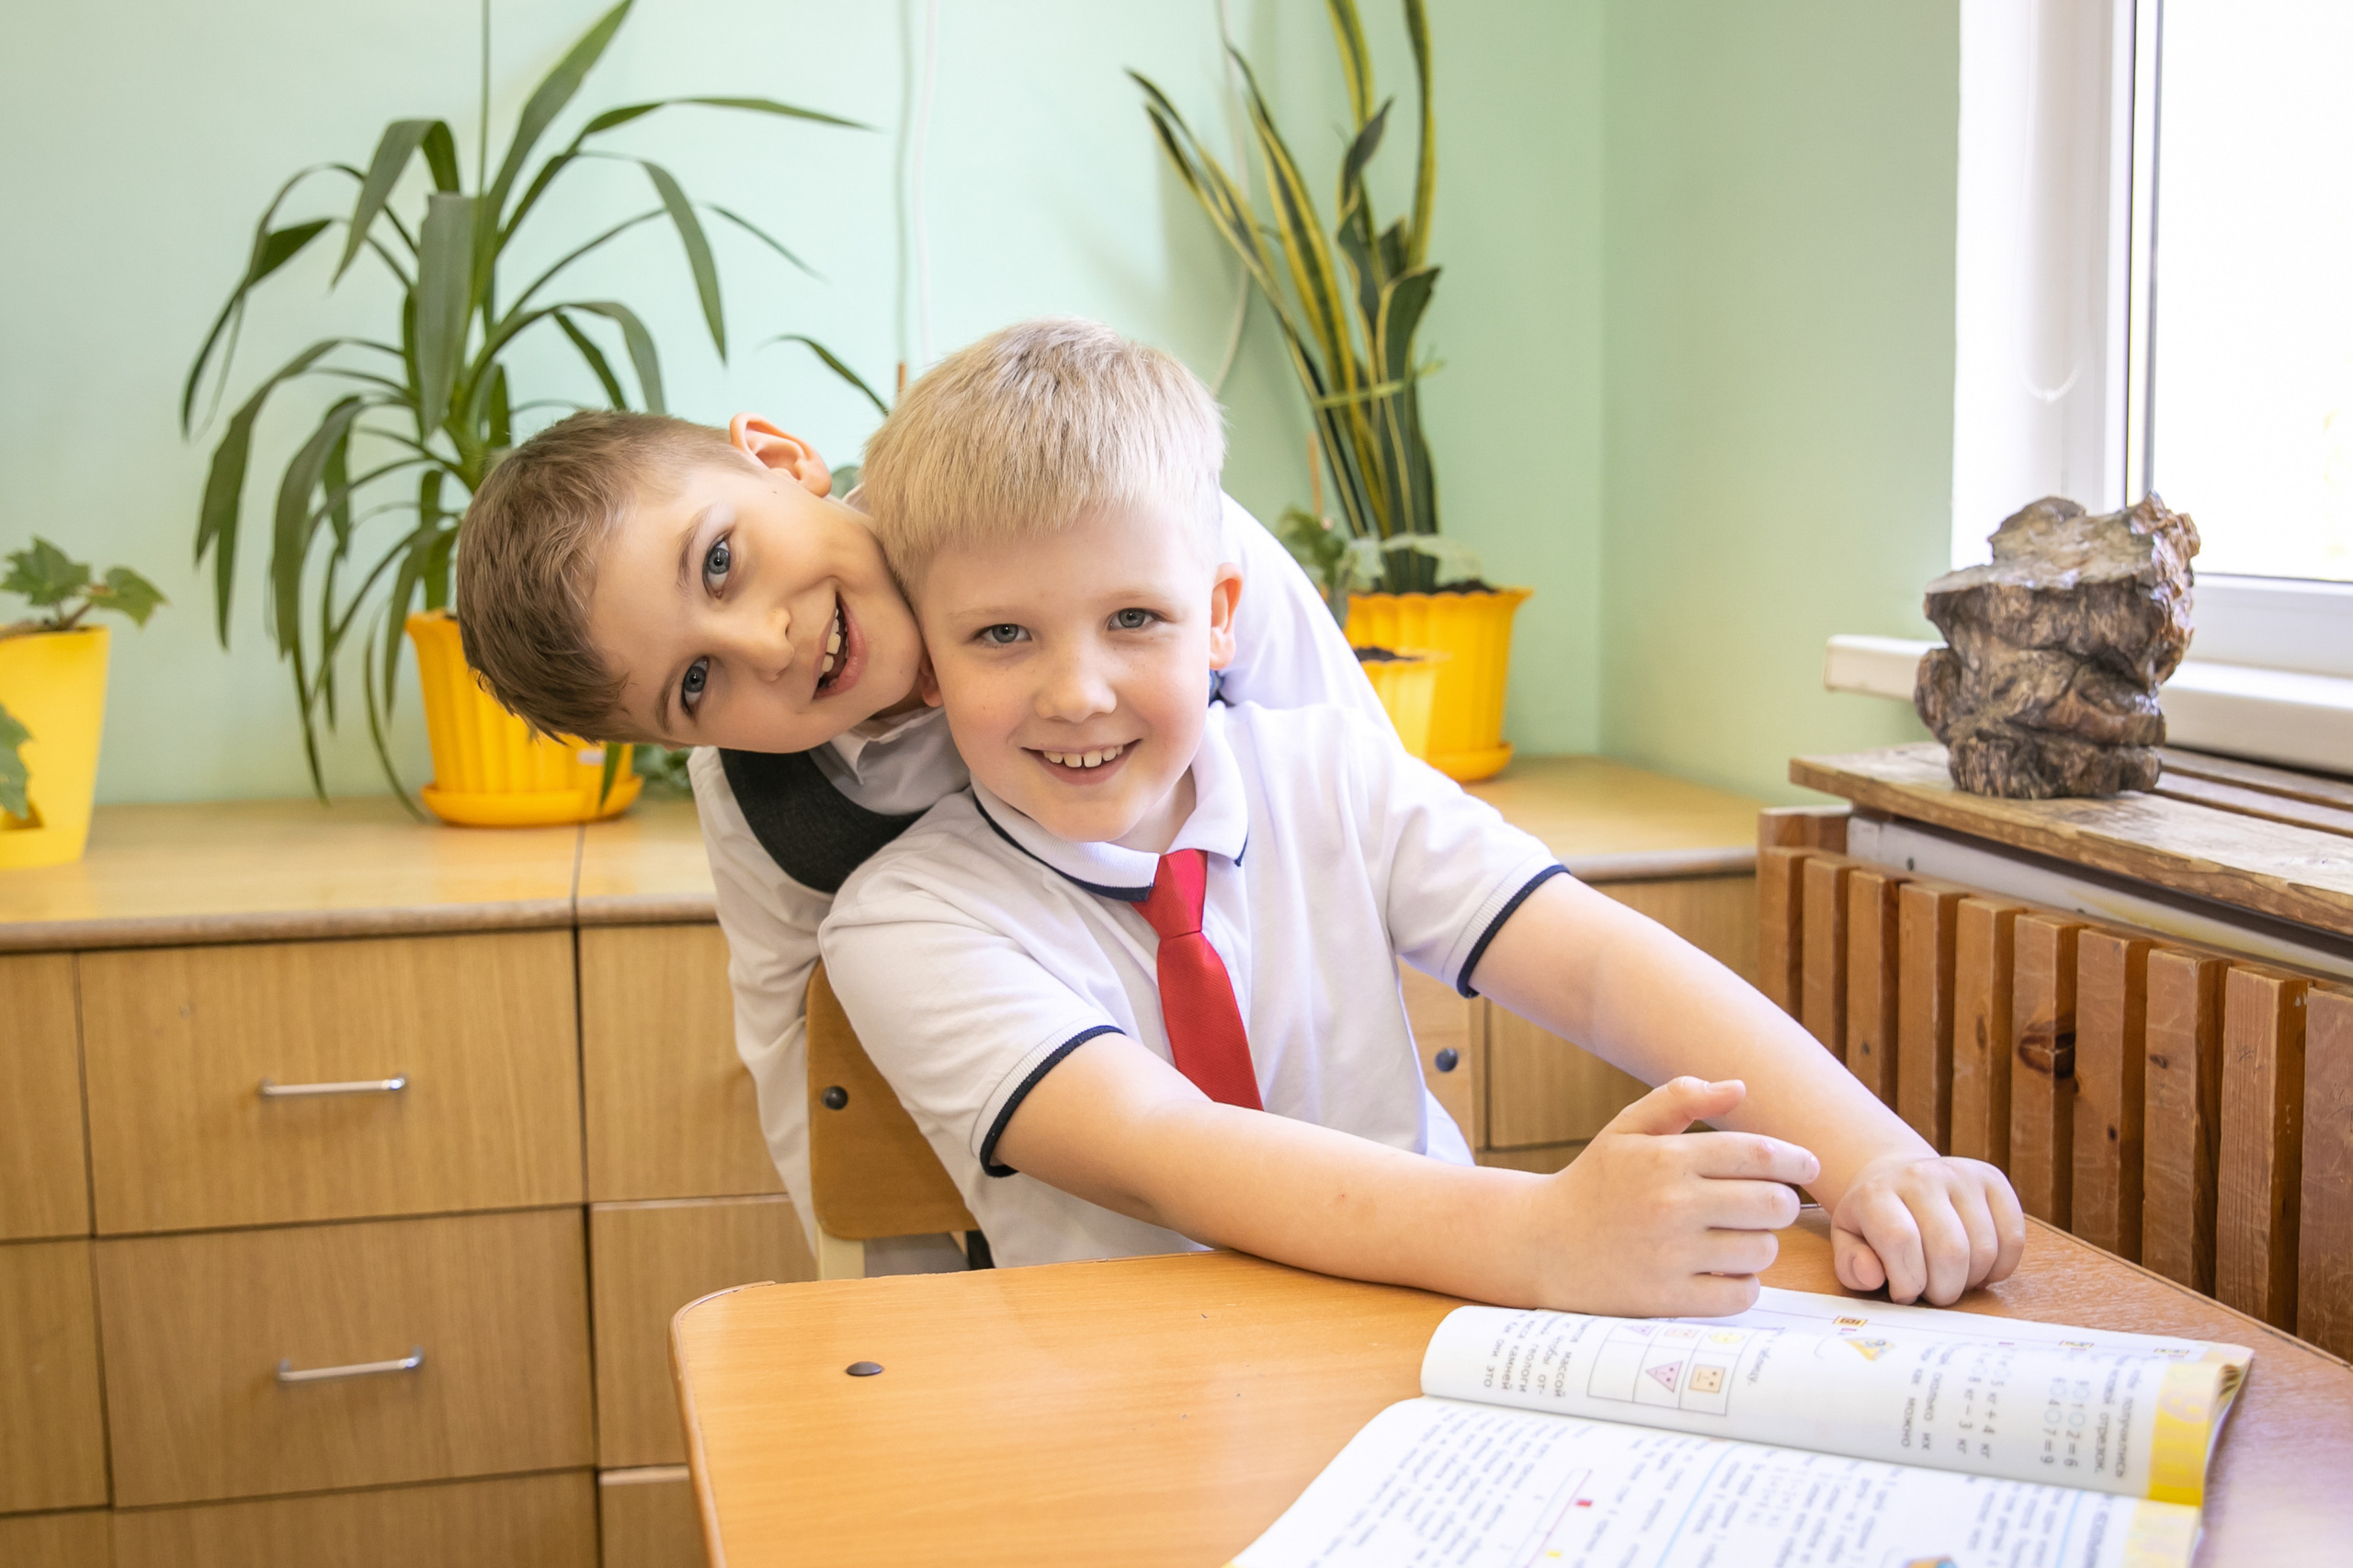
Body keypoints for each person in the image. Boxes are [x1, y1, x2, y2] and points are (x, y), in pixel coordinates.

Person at [815, 318, 2026, 1312]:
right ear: (928, 665)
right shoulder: (909, 919)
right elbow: (1169, 1152)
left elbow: (1602, 966)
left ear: (1222, 614)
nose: (1078, 689)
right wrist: (1548, 1232)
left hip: (1451, 1337)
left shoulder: (1333, 771)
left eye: (1135, 618)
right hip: (1145, 1399)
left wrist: (1877, 1157)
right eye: (1001, 634)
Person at [454, 389, 1392, 1266]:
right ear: (678, 739)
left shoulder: (1144, 525)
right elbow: (810, 1075)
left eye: (718, 562)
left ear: (779, 457)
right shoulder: (765, 806)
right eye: (696, 684)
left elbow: (1375, 806)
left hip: (1357, 1152)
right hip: (1073, 1230)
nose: (766, 644)